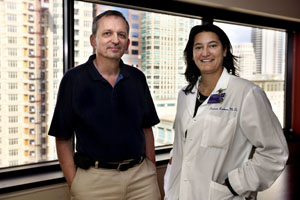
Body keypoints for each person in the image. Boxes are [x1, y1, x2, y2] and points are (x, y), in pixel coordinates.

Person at [163, 24, 289, 200]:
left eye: (212, 45)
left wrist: (234, 184)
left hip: (222, 195)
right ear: (192, 54)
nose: (205, 53)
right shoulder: (184, 95)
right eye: (198, 47)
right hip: (179, 193)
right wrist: (172, 166)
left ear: (224, 51)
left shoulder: (246, 93)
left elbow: (274, 152)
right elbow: (182, 143)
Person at [48, 10, 161, 200]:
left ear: (127, 43)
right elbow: (63, 138)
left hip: (141, 179)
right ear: (93, 40)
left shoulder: (137, 78)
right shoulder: (73, 80)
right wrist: (74, 182)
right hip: (94, 182)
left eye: (121, 35)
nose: (115, 40)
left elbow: (146, 128)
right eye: (107, 33)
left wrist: (151, 167)